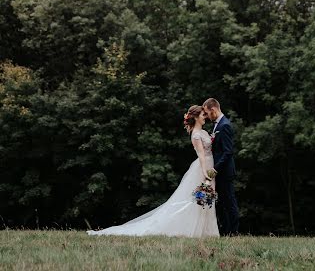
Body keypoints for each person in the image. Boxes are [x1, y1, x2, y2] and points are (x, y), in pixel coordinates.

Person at [87, 105, 219, 237]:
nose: (205, 117)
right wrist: (205, 173)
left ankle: (207, 231)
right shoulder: (196, 135)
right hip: (203, 167)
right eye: (203, 115)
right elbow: (201, 156)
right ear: (196, 117)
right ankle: (195, 230)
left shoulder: (204, 132)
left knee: (206, 197)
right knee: (198, 199)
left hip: (209, 165)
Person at [202, 98, 239, 236]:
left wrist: (215, 168)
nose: (206, 116)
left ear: (213, 109)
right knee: (222, 203)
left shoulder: (225, 125)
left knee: (229, 202)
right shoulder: (217, 125)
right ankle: (226, 231)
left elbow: (228, 152)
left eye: (207, 113)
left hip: (225, 171)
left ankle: (234, 232)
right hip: (219, 171)